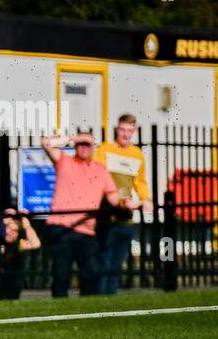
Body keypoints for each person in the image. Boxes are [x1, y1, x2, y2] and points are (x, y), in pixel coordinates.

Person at [41, 130, 119, 297]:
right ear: (75, 146)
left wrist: (126, 202)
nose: (84, 147)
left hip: (86, 230)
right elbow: (46, 142)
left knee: (92, 273)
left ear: (93, 147)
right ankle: (59, 312)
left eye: (87, 144)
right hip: (61, 227)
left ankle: (87, 311)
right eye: (80, 144)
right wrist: (73, 138)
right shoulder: (64, 161)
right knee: (61, 275)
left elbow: (114, 198)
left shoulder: (101, 170)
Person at [94, 113, 152, 294]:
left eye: (129, 131)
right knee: (104, 261)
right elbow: (98, 179)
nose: (126, 135)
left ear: (134, 131)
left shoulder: (137, 154)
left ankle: (110, 300)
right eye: (122, 130)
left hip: (126, 218)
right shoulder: (105, 150)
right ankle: (99, 300)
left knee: (117, 263)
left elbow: (140, 182)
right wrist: (119, 200)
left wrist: (146, 199)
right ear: (116, 129)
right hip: (106, 216)